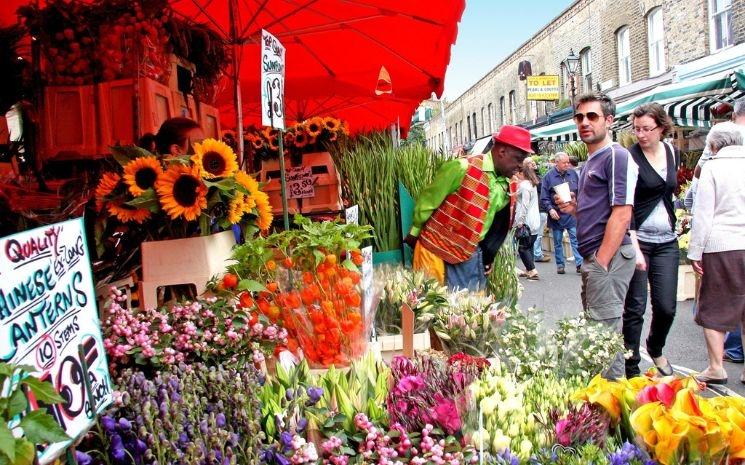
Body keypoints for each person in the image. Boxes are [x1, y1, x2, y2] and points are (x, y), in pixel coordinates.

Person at [556, 92, 638, 380]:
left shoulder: (616, 155)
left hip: (609, 258)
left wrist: (601, 262)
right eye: (579, 117)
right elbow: (599, 214)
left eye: (592, 116)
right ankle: (606, 407)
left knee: (604, 339)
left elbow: (622, 213)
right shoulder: (591, 160)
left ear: (609, 120)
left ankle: (616, 412)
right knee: (598, 335)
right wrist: (575, 210)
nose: (584, 122)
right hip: (596, 256)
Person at [405, 125, 533, 290]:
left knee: (468, 308)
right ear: (502, 152)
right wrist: (415, 231)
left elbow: (497, 225)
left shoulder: (511, 184)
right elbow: (428, 201)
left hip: (470, 256)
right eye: (518, 159)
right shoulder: (462, 167)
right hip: (436, 250)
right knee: (432, 306)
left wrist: (487, 257)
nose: (521, 166)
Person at [622, 103, 680, 378]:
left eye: (647, 129)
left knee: (667, 306)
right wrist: (634, 248)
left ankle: (655, 347)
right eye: (637, 129)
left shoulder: (672, 152)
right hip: (639, 240)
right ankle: (631, 366)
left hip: (667, 239)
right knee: (635, 307)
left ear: (661, 128)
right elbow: (627, 205)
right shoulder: (629, 158)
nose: (641, 135)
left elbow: (668, 193)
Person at [687, 122, 745, 385]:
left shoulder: (712, 167)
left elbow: (703, 213)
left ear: (713, 145)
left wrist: (695, 251)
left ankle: (716, 367)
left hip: (722, 244)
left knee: (713, 305)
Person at [540, 151, 583, 274]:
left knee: (575, 239)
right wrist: (550, 209)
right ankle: (560, 265)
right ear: (556, 162)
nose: (567, 165)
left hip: (571, 212)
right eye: (564, 163)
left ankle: (579, 263)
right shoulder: (548, 177)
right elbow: (544, 197)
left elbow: (580, 190)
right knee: (558, 241)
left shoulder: (573, 174)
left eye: (568, 162)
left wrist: (577, 200)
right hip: (557, 213)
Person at [515, 158, 541, 280]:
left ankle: (532, 270)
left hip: (527, 219)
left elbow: (524, 205)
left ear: (521, 173)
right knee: (529, 245)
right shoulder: (532, 184)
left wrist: (520, 221)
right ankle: (529, 268)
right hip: (535, 218)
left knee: (522, 247)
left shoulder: (525, 185)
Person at [529, 157, 551, 263]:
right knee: (537, 233)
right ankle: (536, 253)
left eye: (535, 163)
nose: (534, 165)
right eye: (532, 164)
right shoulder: (532, 179)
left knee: (535, 233)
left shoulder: (533, 177)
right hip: (538, 208)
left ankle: (535, 252)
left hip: (538, 208)